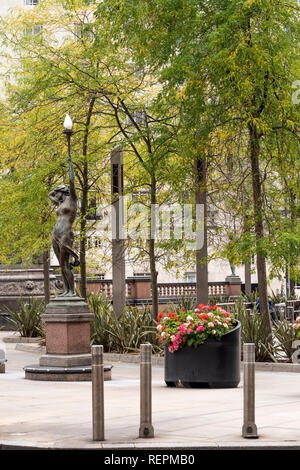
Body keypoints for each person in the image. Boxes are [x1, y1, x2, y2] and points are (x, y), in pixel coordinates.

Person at [48, 153, 79, 297]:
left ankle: (71, 292)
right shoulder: (60, 204)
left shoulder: (72, 200)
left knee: (66, 264)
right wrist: (53, 192)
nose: (56, 194)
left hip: (66, 235)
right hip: (56, 234)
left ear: (64, 192)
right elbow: (50, 195)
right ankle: (66, 290)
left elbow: (72, 182)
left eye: (58, 192)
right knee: (62, 265)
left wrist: (70, 164)